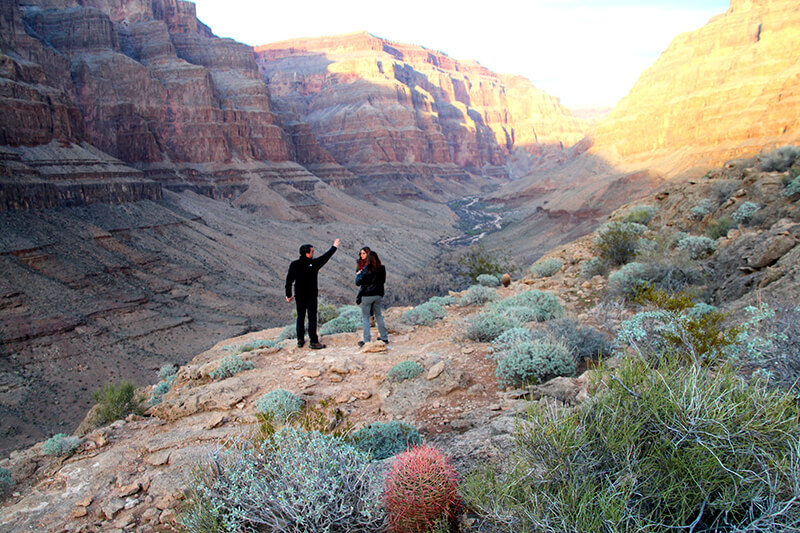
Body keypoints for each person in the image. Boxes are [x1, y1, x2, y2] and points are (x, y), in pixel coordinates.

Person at [285, 238, 340, 349]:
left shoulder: (294, 264)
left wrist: (288, 294)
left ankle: (300, 340)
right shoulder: (313, 264)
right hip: (310, 296)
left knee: (300, 317)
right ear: (307, 253)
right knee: (312, 317)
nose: (313, 254)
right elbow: (326, 257)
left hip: (299, 295)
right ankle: (313, 341)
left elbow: (289, 280)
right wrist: (334, 247)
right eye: (312, 252)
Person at [356, 250, 388, 346]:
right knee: (378, 315)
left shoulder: (365, 269)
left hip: (367, 296)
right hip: (378, 294)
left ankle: (366, 340)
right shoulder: (382, 268)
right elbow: (383, 280)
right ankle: (384, 337)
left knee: (366, 318)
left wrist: (358, 275)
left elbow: (358, 283)